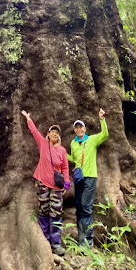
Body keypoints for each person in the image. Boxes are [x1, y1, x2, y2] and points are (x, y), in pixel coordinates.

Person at [21, 110, 70, 255]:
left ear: (58, 136)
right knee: (43, 211)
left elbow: (65, 167)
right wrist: (28, 118)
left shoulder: (61, 150)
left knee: (55, 212)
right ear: (48, 134)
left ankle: (56, 243)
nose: (54, 134)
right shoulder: (43, 143)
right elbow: (34, 131)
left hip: (56, 186)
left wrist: (66, 182)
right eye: (52, 132)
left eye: (57, 133)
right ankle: (45, 240)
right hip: (42, 183)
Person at [68, 108, 108, 247]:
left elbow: (105, 134)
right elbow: (73, 159)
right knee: (79, 207)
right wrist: (60, 152)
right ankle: (81, 239)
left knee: (86, 207)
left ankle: (88, 242)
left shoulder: (92, 140)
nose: (79, 130)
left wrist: (102, 119)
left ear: (85, 128)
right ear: (75, 130)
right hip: (78, 178)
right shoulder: (73, 143)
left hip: (90, 177)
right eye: (77, 128)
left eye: (81, 127)